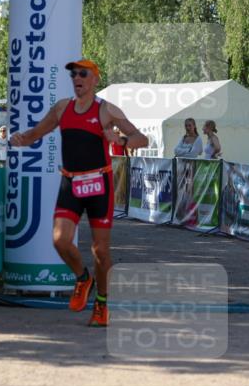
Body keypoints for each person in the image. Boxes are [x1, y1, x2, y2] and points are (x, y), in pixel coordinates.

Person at [9, 58, 148, 327]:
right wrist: (21, 139)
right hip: (71, 183)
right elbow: (37, 133)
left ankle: (102, 304)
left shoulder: (107, 111)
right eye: (73, 75)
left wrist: (119, 140)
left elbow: (142, 139)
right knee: (60, 240)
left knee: (101, 252)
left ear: (95, 78)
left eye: (83, 74)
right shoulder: (63, 108)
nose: (77, 78)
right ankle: (83, 278)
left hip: (99, 185)